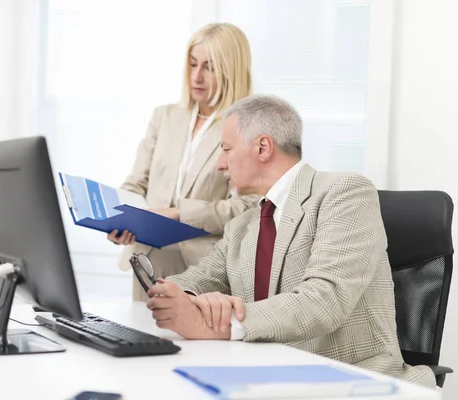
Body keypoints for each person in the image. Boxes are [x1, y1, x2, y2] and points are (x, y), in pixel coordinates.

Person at [145, 94, 436, 387]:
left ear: (262, 147)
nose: (220, 164)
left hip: (352, 379)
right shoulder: (243, 225)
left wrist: (219, 324)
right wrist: (191, 302)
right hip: (266, 375)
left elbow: (324, 300)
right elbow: (197, 278)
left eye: (227, 149)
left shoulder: (345, 193)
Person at [108, 23, 258, 301]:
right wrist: (122, 221)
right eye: (192, 64)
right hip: (148, 259)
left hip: (203, 269)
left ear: (232, 70)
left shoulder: (246, 127)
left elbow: (248, 209)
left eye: (209, 67)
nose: (196, 77)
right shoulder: (164, 117)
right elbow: (135, 183)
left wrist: (180, 214)